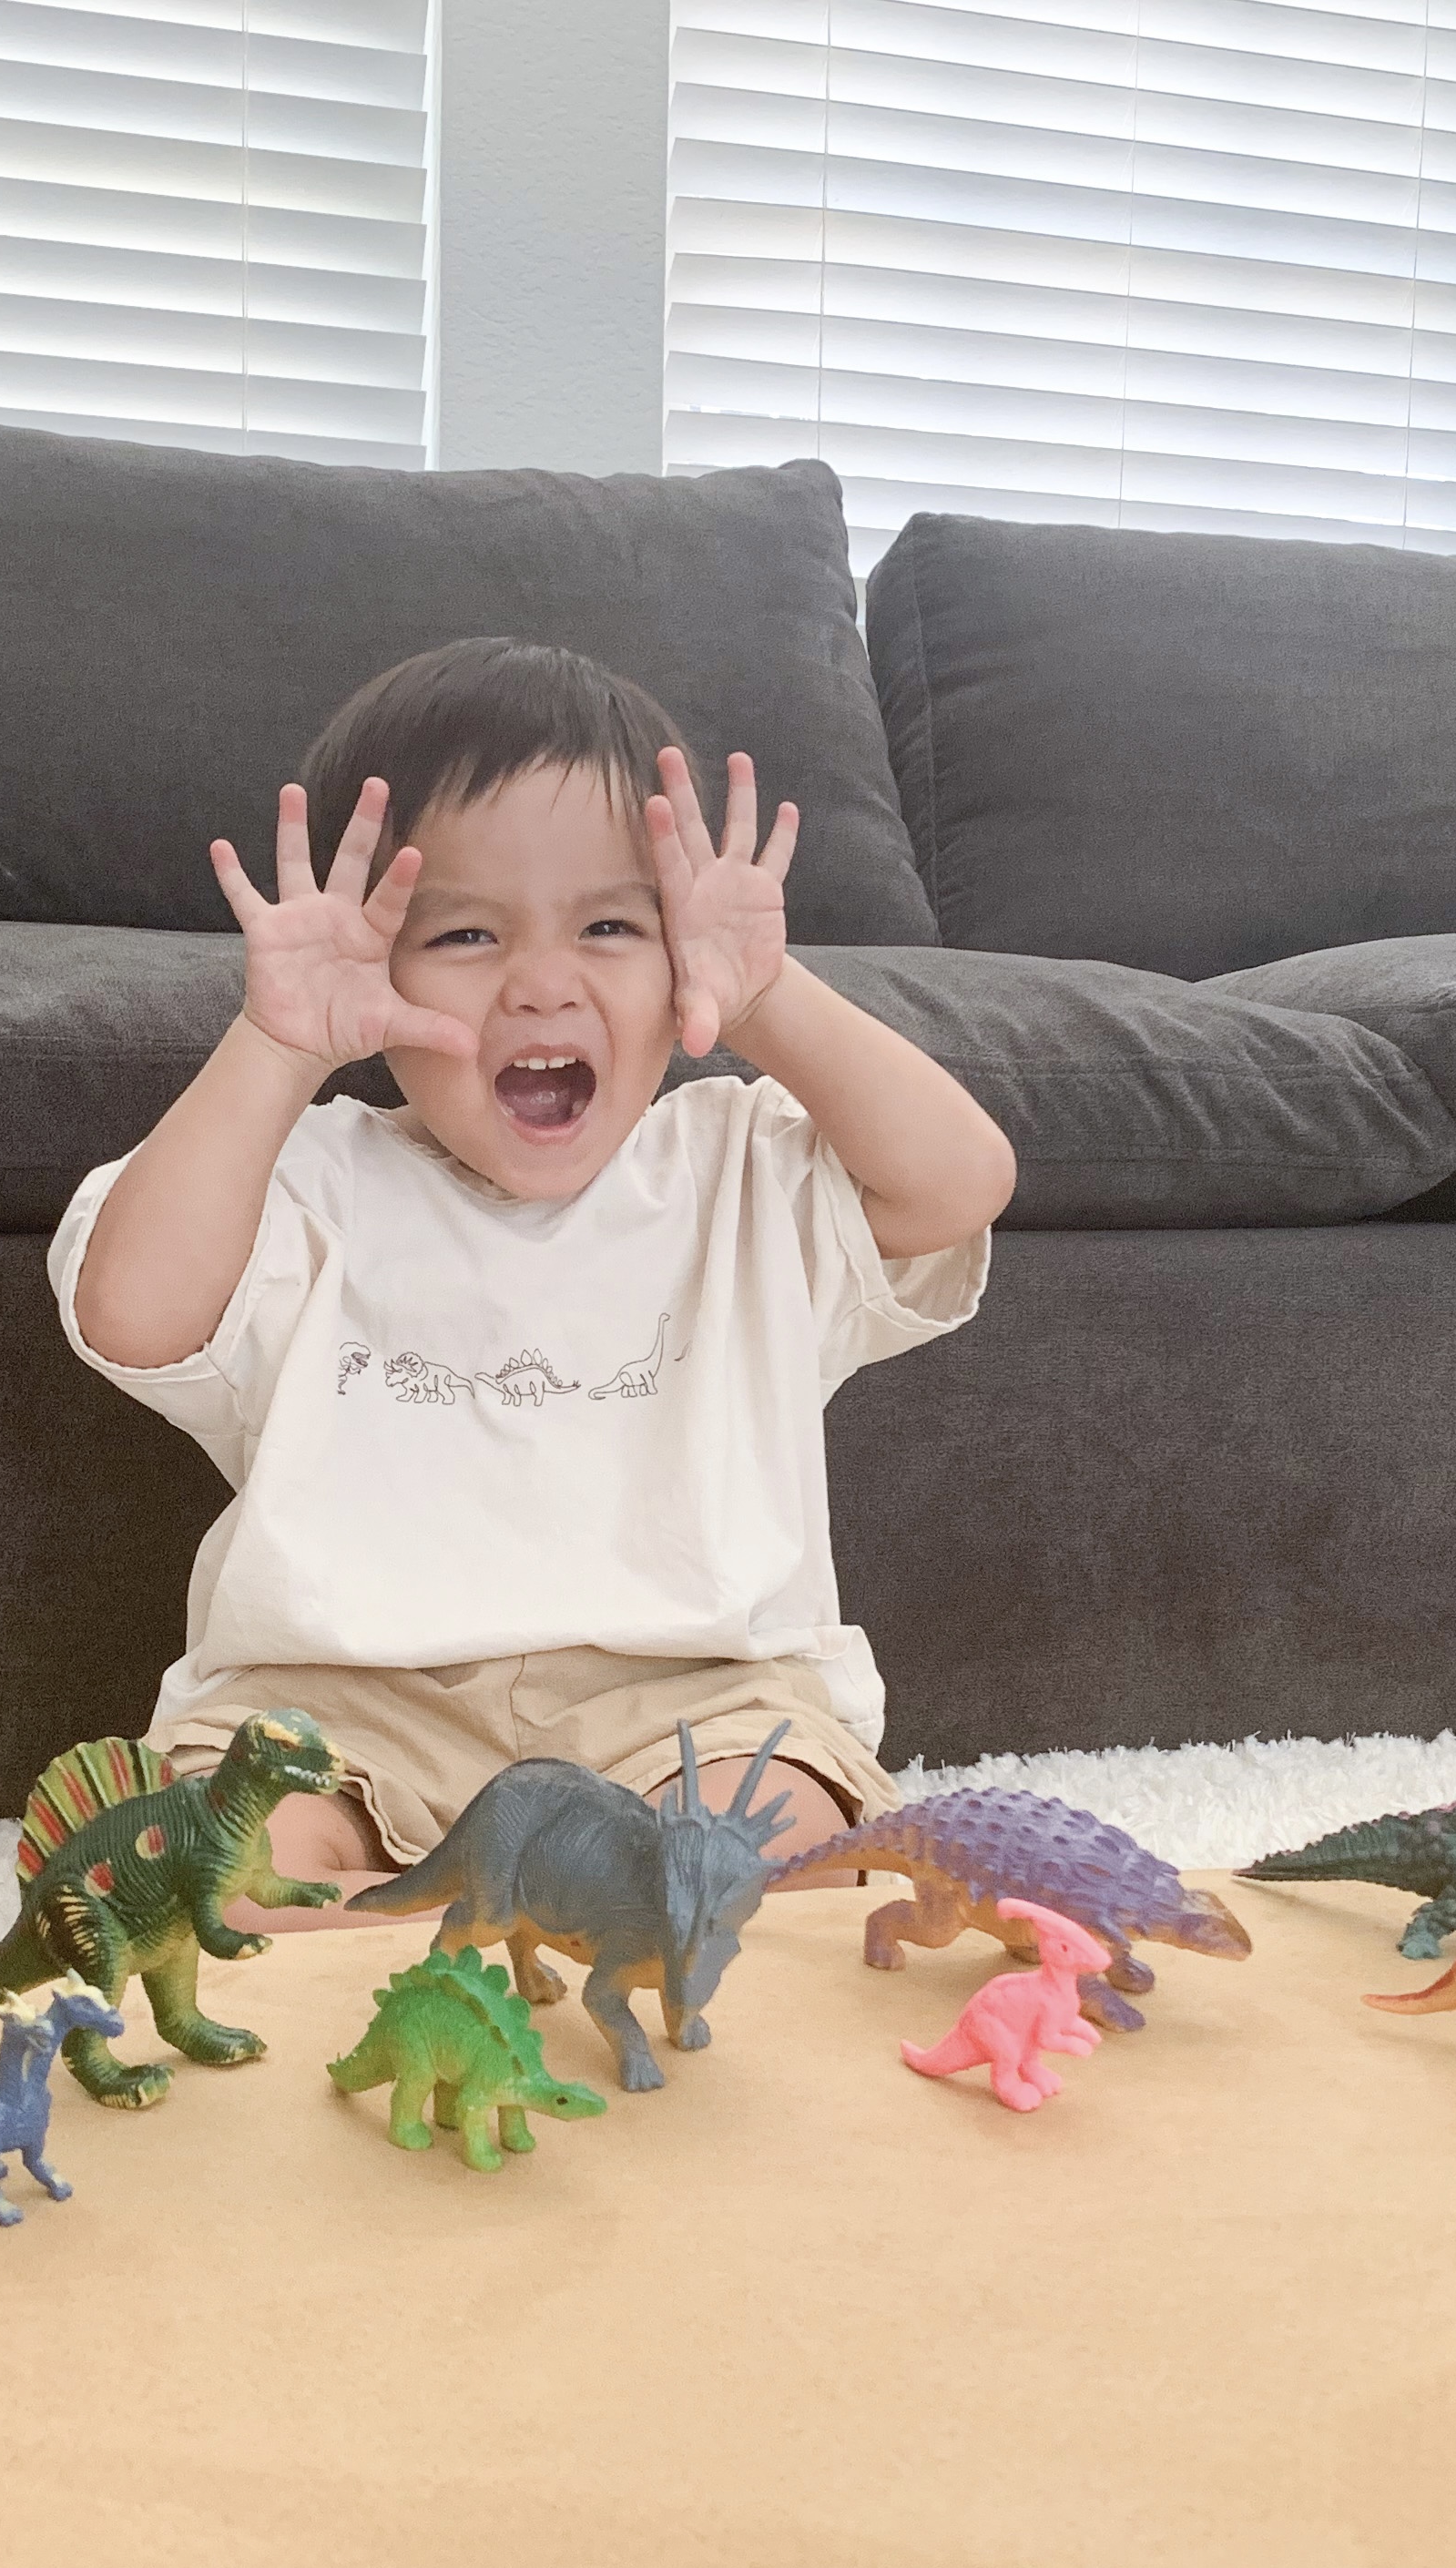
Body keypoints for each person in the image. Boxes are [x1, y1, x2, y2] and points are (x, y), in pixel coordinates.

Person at [51, 637, 1015, 1924]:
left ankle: (499, 1924)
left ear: (680, 958)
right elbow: (135, 1310)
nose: (543, 983)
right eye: (463, 933)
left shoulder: (739, 1164)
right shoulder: (308, 1180)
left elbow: (961, 1180)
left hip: (693, 1701)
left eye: (613, 926)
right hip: (341, 1709)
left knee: (785, 1860)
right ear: (373, 972)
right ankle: (425, 1928)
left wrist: (770, 994)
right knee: (218, 1878)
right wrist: (274, 1049)